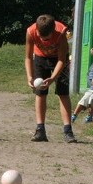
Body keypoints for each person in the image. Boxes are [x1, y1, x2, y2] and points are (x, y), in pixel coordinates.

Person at [24, 14, 76, 143]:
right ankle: (40, 130)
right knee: (40, 93)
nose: (43, 41)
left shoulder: (61, 31)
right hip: (40, 58)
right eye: (41, 38)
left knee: (63, 93)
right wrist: (29, 76)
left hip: (59, 59)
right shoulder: (31, 32)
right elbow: (28, 57)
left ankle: (67, 131)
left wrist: (52, 78)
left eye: (46, 39)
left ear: (53, 31)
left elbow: (61, 60)